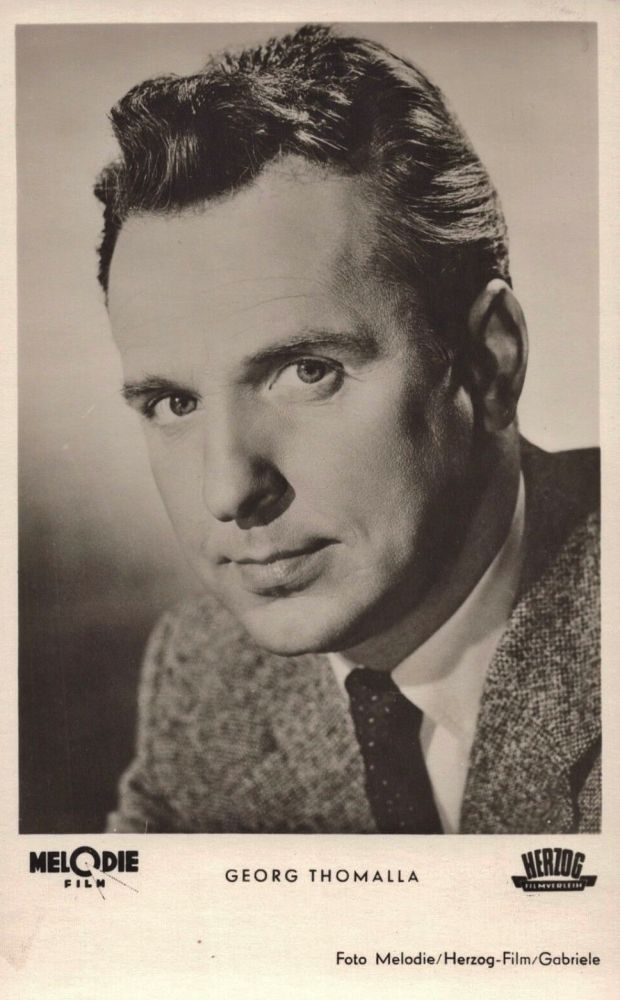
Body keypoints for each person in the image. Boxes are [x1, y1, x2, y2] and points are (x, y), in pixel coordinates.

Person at [96, 24, 600, 834]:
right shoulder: (207, 672)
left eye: (307, 372)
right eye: (174, 404)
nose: (228, 492)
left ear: (488, 362)